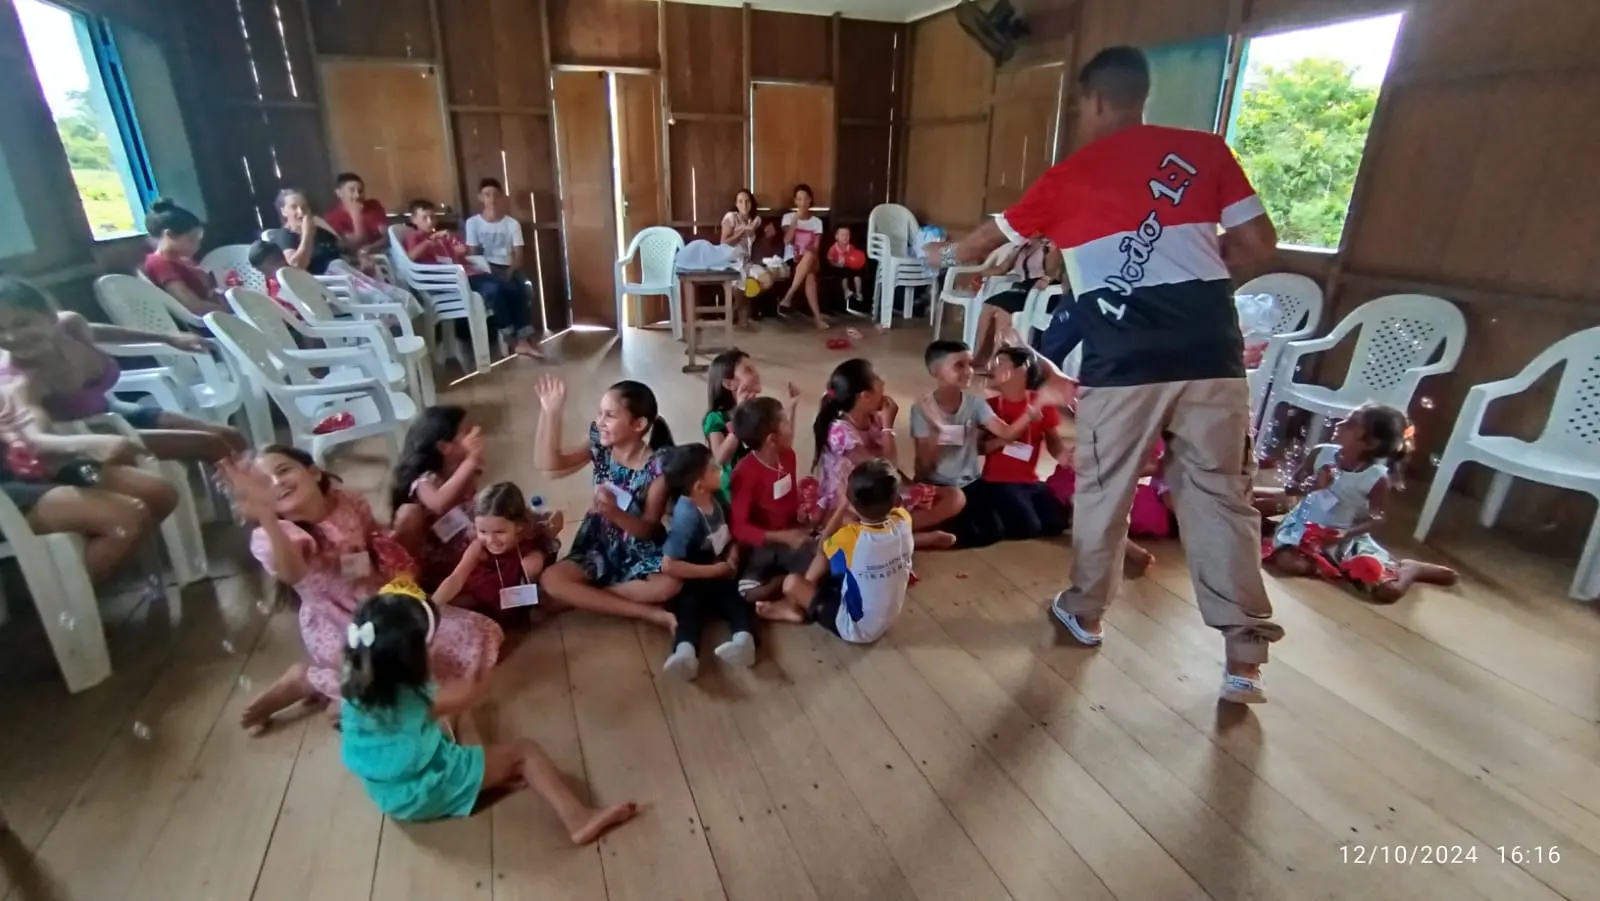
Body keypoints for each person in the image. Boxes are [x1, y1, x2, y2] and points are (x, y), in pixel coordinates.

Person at [924, 45, 1285, 703]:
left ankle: (1086, 612)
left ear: (1091, 100)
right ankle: (1244, 655)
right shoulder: (1205, 151)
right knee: (1221, 495)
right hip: (1212, 354)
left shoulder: (1067, 177)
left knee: (1104, 488)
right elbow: (1260, 243)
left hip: (1124, 362)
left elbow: (980, 245)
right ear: (1141, 95)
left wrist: (941, 253)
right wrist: (1191, 273)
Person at [227, 446, 503, 732]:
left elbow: (375, 535)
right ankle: (308, 680)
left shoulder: (346, 500)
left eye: (283, 470)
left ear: (313, 472)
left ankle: (339, 695)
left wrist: (394, 550)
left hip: (382, 602)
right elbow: (292, 572)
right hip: (341, 625)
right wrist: (268, 519)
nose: (277, 482)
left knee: (472, 635)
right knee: (397, 679)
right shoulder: (275, 535)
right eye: (264, 482)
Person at [339, 588, 639, 839]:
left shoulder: (357, 685)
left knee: (460, 716)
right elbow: (474, 689)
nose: (433, 649)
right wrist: (479, 661)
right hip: (424, 792)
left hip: (389, 793)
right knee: (525, 753)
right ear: (409, 661)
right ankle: (578, 819)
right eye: (428, 647)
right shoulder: (417, 701)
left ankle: (488, 776)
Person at [0, 276, 244, 463]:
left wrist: (168, 337)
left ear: (49, 316)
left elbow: (97, 332)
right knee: (212, 444)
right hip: (87, 436)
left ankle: (253, 499)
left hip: (113, 411)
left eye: (22, 323)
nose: (11, 337)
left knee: (231, 435)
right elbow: (37, 439)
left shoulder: (70, 327)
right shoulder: (19, 379)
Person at [1263, 404, 1457, 603]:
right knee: (1288, 563)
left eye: (1351, 424)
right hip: (1303, 526)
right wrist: (1310, 486)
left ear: (1370, 443)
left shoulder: (1376, 477)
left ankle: (1411, 568)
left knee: (1389, 592)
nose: (1340, 423)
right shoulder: (1321, 453)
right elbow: (1291, 488)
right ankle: (1324, 561)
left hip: (1343, 537)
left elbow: (1377, 518)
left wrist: (1345, 534)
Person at [533, 375, 679, 629]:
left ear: (638, 424)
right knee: (550, 579)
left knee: (669, 585)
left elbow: (649, 529)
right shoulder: (600, 445)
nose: (600, 421)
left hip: (637, 549)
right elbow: (549, 464)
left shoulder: (656, 467)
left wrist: (614, 513)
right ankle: (649, 614)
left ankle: (577, 597)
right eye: (600, 413)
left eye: (609, 415)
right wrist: (551, 413)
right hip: (597, 543)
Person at [0, 374, 176, 585]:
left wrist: (77, 445)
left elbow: (35, 439)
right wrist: (85, 444)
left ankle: (104, 579)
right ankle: (53, 599)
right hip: (8, 491)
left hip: (40, 467)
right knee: (125, 518)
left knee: (157, 492)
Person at [755, 458, 912, 645]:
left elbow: (822, 546)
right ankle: (799, 602)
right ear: (896, 500)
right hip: (885, 617)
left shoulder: (852, 537)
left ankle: (795, 608)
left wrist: (842, 505)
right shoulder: (903, 519)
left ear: (852, 502)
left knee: (792, 583)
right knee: (835, 559)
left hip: (855, 627)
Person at [811, 357, 959, 549]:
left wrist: (910, 486)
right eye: (878, 379)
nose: (884, 382)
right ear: (865, 396)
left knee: (955, 497)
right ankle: (910, 539)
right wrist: (888, 426)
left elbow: (891, 473)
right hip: (853, 501)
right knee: (848, 524)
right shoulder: (840, 432)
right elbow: (885, 469)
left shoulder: (872, 418)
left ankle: (892, 534)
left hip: (882, 493)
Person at [909, 340, 1042, 548]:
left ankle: (938, 531)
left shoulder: (975, 404)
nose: (969, 371)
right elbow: (924, 468)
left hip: (972, 482)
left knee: (996, 530)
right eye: (959, 365)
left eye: (970, 364)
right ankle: (923, 537)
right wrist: (936, 434)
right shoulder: (922, 410)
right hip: (940, 484)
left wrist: (1028, 416)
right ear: (936, 372)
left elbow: (1006, 433)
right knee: (977, 531)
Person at [658, 444, 757, 680]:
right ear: (698, 486)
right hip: (697, 576)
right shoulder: (687, 516)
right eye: (713, 469)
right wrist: (713, 571)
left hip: (722, 569)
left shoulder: (717, 497)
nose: (720, 471)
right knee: (688, 609)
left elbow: (730, 532)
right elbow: (669, 565)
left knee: (738, 600)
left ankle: (744, 640)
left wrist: (732, 554)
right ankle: (685, 652)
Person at [403, 199, 543, 359]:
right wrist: (429, 242)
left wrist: (458, 251)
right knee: (494, 290)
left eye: (433, 217)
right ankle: (512, 338)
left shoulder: (440, 237)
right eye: (424, 218)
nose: (430, 221)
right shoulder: (414, 237)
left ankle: (524, 337)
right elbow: (410, 256)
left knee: (514, 286)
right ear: (413, 219)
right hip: (451, 281)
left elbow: (456, 257)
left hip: (468, 274)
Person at [432, 481, 562, 624]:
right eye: (483, 531)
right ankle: (428, 605)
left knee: (533, 566)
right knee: (456, 599)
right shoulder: (479, 546)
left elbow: (554, 519)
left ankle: (529, 606)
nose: (491, 540)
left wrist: (543, 548)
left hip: (520, 583)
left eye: (499, 532)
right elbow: (456, 578)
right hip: (487, 587)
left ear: (519, 526)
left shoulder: (530, 532)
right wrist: (432, 607)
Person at [977, 346, 1068, 542]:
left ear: (1021, 370)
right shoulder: (989, 407)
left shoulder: (1040, 403)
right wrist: (1004, 440)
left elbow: (1054, 443)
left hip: (1029, 480)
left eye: (1000, 363)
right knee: (1028, 527)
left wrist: (1066, 458)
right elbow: (977, 448)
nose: (992, 368)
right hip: (997, 481)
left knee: (1056, 523)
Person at [389, 405, 484, 592]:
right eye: (466, 432)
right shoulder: (424, 480)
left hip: (462, 543)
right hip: (434, 558)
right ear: (444, 447)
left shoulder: (460, 470)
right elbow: (439, 503)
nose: (475, 433)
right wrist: (470, 461)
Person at [729, 396, 814, 602]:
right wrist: (783, 537)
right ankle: (783, 581)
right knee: (748, 592)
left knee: (825, 556)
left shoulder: (788, 456)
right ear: (771, 440)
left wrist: (800, 513)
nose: (790, 426)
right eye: (785, 422)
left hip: (791, 532)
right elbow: (739, 527)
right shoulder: (745, 473)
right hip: (765, 544)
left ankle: (787, 580)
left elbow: (789, 495)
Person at [703, 349, 799, 495]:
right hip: (735, 491)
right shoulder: (715, 418)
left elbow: (784, 444)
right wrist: (740, 416)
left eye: (754, 369)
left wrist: (791, 408)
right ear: (729, 384)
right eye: (748, 370)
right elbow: (720, 458)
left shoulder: (759, 408)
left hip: (760, 483)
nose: (756, 374)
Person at [976, 237, 1061, 358]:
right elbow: (1001, 269)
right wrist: (978, 274)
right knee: (988, 305)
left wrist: (1046, 278)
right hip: (1023, 287)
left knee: (1003, 310)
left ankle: (999, 357)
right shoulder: (1020, 246)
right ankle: (980, 354)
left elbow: (1052, 272)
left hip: (1043, 290)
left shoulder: (1049, 246)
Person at [141, 199, 227, 317]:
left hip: (214, 313)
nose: (198, 245)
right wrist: (228, 312)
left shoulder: (183, 260)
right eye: (191, 239)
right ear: (169, 235)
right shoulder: (159, 264)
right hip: (202, 321)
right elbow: (193, 306)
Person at [776, 184, 828, 329]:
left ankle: (789, 296)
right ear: (795, 201)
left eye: (806, 199)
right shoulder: (788, 218)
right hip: (792, 259)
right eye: (799, 199)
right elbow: (787, 240)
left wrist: (807, 255)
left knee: (810, 254)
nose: (803, 202)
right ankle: (818, 319)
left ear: (810, 200)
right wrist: (796, 220)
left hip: (812, 258)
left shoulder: (817, 222)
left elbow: (816, 247)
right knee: (810, 276)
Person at [464, 178, 530, 286]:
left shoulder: (513, 224)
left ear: (501, 197)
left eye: (496, 195)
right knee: (491, 288)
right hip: (484, 270)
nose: (492, 199)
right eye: (487, 195)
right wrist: (485, 273)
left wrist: (508, 273)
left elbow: (519, 258)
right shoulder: (472, 223)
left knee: (516, 286)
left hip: (508, 269)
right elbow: (473, 255)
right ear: (480, 197)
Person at [266, 188, 345, 276]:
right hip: (324, 281)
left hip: (344, 273)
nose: (301, 212)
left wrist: (324, 225)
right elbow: (297, 265)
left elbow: (344, 248)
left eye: (304, 207)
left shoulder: (319, 229)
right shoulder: (285, 235)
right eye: (294, 207)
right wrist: (307, 233)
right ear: (283, 211)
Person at [324, 172, 390, 258]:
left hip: (382, 253)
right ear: (339, 193)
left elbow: (387, 237)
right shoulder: (332, 217)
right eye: (352, 190)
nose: (357, 195)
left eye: (360, 191)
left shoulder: (373, 205)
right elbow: (356, 246)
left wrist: (370, 249)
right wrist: (356, 216)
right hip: (354, 260)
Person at [825, 226, 865, 307]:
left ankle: (858, 292)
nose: (845, 237)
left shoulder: (851, 247)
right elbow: (830, 260)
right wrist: (837, 264)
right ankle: (846, 291)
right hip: (837, 267)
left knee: (857, 274)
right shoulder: (833, 249)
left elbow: (855, 257)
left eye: (847, 235)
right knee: (843, 275)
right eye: (842, 235)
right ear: (836, 237)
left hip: (849, 266)